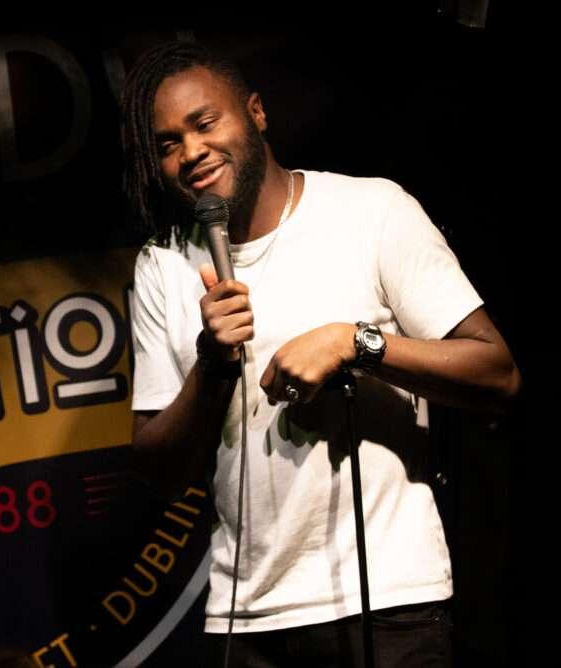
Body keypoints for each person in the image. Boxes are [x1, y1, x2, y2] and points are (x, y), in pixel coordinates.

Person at [120, 41, 521, 667]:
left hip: (387, 602)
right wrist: (212, 363)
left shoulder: (371, 210)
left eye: (205, 123)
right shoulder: (163, 263)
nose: (191, 151)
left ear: (256, 113)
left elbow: (497, 373)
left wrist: (355, 343)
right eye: (169, 143)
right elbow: (157, 473)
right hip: (247, 620)